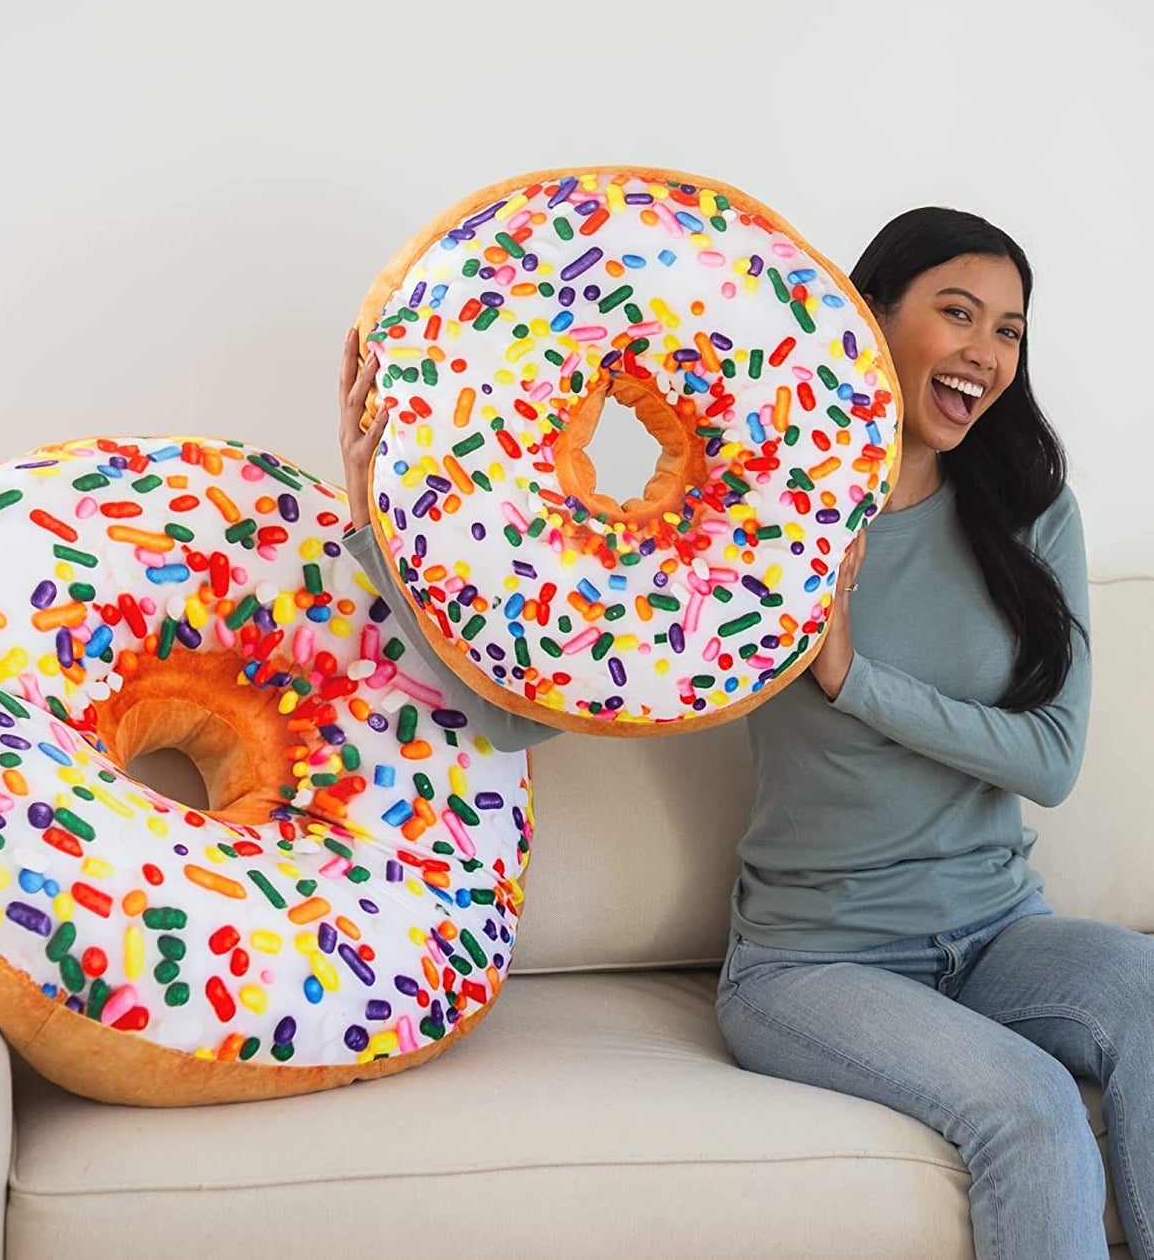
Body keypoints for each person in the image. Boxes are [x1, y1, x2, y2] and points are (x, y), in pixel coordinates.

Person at [337, 205, 1152, 1259]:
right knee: (1031, 1103)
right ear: (862, 315)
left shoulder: (1031, 510)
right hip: (814, 964)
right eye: (957, 313)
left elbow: (1051, 758)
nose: (985, 352)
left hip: (999, 928)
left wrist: (849, 674)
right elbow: (508, 715)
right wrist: (375, 528)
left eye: (1008, 330)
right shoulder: (757, 528)